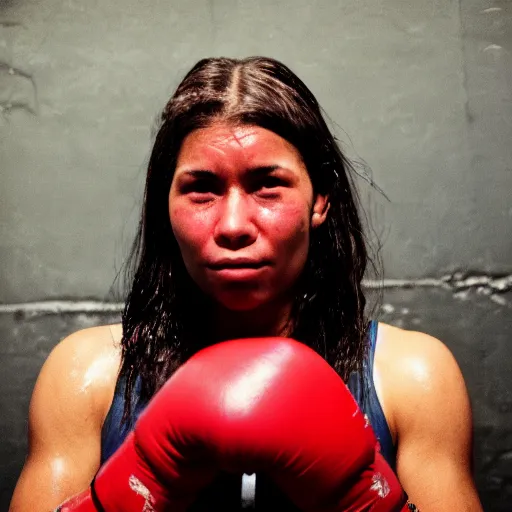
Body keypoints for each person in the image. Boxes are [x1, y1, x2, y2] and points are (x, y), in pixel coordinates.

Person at [9, 56, 483, 511]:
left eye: (266, 184)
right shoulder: (86, 378)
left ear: (320, 200)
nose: (233, 224)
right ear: (165, 206)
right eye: (201, 189)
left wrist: (364, 501)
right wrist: (135, 488)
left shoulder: (411, 378)